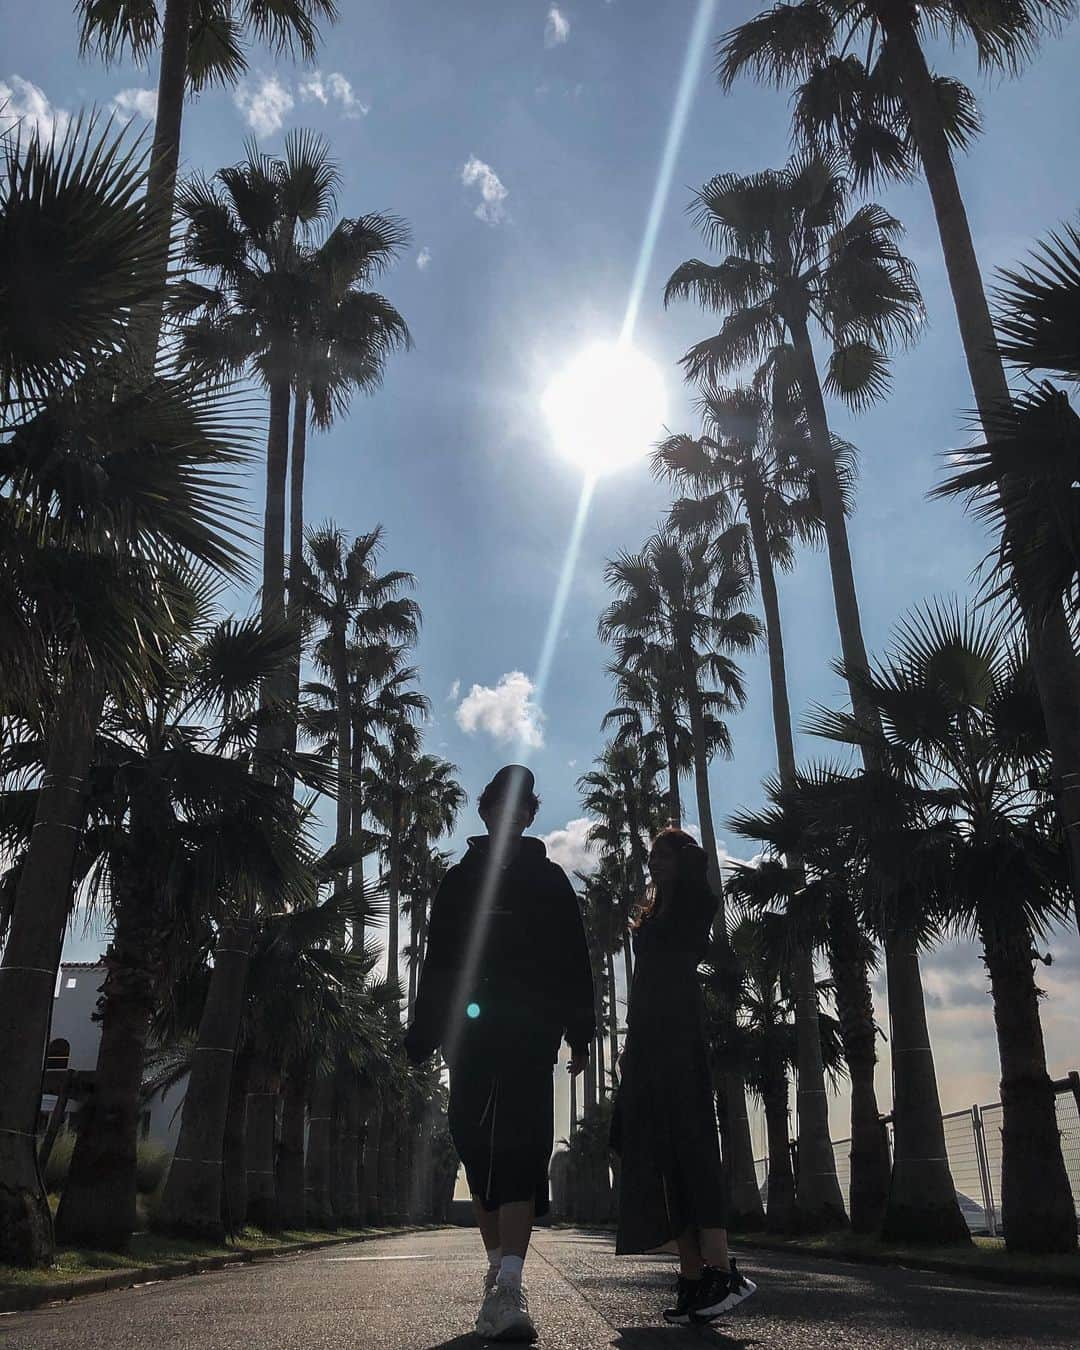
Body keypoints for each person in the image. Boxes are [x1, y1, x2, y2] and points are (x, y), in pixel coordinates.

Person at [405, 764, 594, 1343]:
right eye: (498, 806)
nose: (509, 816)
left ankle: (511, 1285)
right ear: (485, 812)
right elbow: (437, 964)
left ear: (530, 815)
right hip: (469, 1037)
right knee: (476, 1149)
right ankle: (498, 1277)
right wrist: (423, 1032)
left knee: (521, 1148)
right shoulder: (458, 881)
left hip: (530, 1036)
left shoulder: (551, 881)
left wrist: (581, 1030)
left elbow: (573, 959)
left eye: (521, 808)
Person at [610, 826, 757, 1325]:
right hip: (648, 1038)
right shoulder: (653, 914)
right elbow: (645, 983)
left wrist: (686, 858)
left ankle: (722, 1271)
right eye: (650, 856)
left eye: (662, 855)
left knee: (693, 1145)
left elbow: (703, 892)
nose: (653, 863)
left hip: (679, 1033)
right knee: (660, 1152)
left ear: (682, 859)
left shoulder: (693, 902)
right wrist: (631, 1046)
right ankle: (693, 1277)